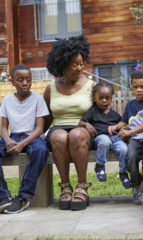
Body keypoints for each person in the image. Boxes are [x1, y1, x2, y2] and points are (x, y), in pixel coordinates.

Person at [0, 64, 49, 214]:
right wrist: (8, 141)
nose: (25, 83)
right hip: (13, 137)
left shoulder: (38, 99)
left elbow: (39, 129)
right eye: (20, 80)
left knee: (41, 150)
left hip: (32, 137)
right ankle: (3, 197)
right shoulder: (7, 100)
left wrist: (21, 145)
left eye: (28, 79)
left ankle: (24, 196)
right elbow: (4, 128)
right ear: (12, 81)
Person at [43, 34, 94, 211]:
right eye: (75, 64)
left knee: (76, 134)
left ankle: (82, 186)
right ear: (63, 65)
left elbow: (100, 114)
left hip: (84, 131)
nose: (80, 68)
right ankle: (65, 186)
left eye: (82, 63)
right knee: (58, 137)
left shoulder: (91, 86)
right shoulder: (51, 89)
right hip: (58, 128)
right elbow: (47, 119)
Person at [108, 69, 143, 211]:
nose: (139, 90)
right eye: (135, 87)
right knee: (130, 158)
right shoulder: (130, 104)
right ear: (131, 87)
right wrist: (115, 127)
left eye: (142, 87)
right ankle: (137, 183)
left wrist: (128, 132)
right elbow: (124, 121)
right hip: (134, 140)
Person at [79, 83, 131, 189]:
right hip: (100, 137)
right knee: (105, 141)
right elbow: (81, 122)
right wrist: (86, 124)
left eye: (107, 98)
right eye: (101, 98)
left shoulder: (115, 114)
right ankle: (100, 166)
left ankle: (123, 172)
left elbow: (120, 125)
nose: (104, 101)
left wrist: (123, 129)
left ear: (111, 99)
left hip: (115, 138)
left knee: (124, 149)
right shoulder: (92, 112)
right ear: (94, 98)